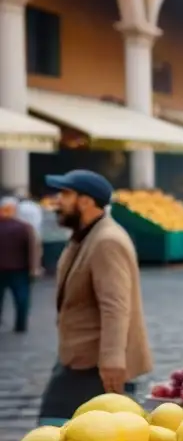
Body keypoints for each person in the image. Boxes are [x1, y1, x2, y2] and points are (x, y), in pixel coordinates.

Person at [38, 170, 151, 419]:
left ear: (86, 201)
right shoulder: (85, 235)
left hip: (94, 364)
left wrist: (112, 361)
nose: (58, 201)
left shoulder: (106, 240)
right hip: (78, 357)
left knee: (55, 427)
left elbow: (115, 306)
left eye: (66, 194)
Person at [0, 196, 39, 333]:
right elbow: (33, 249)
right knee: (22, 299)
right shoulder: (24, 228)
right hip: (19, 269)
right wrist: (34, 269)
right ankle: (20, 325)